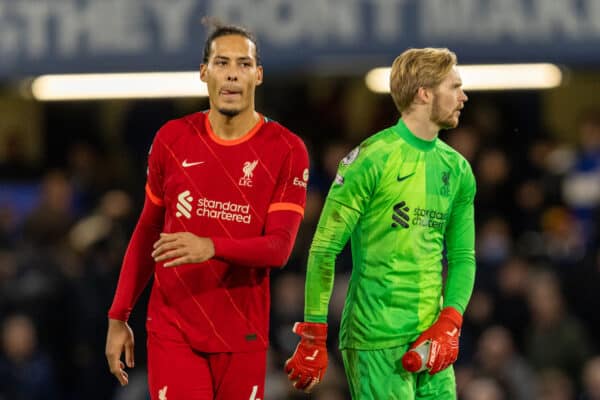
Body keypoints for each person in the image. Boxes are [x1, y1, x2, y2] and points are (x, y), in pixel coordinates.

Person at [105, 22, 309, 400]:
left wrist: (210, 246)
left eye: (244, 63)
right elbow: (148, 230)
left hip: (243, 331)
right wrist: (119, 315)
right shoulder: (172, 138)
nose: (232, 72)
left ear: (258, 75)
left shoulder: (286, 149)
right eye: (222, 62)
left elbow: (279, 247)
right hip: (173, 327)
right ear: (204, 72)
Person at [285, 47, 476, 399]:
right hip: (374, 338)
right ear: (424, 93)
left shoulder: (459, 170)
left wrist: (450, 322)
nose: (463, 96)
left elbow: (463, 257)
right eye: (454, 86)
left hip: (431, 341)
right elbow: (324, 249)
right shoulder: (370, 160)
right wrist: (314, 332)